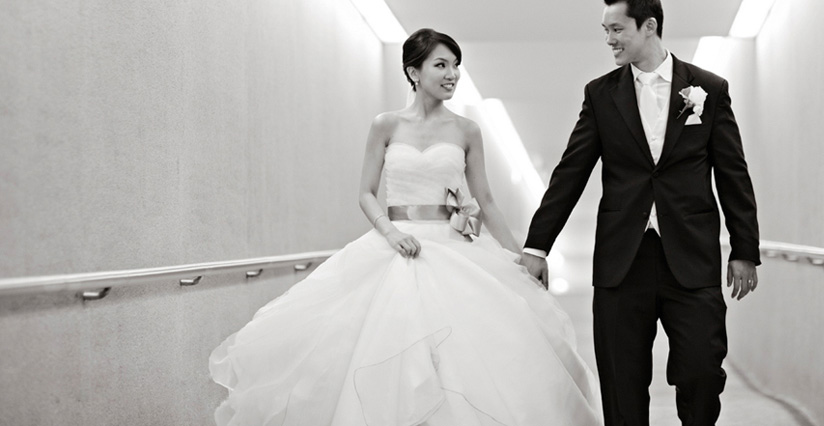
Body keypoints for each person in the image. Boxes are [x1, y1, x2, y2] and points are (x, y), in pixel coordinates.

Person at [209, 28, 603, 426]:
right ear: (414, 72)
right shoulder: (386, 125)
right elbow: (365, 192)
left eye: (456, 66)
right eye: (441, 65)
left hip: (454, 249)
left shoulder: (466, 130)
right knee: (387, 352)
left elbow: (486, 201)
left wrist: (519, 257)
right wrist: (391, 232)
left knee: (464, 355)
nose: (452, 74)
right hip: (396, 245)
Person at [521, 0, 761, 426]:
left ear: (648, 26)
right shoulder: (600, 94)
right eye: (606, 30)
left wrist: (745, 249)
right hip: (621, 261)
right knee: (622, 383)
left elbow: (733, 173)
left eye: (617, 29)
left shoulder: (708, 88)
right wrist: (537, 246)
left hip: (690, 257)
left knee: (702, 373)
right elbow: (570, 172)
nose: (608, 39)